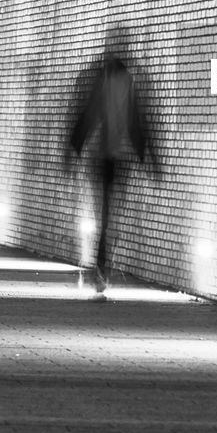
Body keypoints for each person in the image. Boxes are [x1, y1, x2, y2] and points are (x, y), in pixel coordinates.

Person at [70, 50, 148, 297]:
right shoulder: (127, 86)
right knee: (109, 216)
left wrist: (74, 148)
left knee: (105, 215)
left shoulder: (104, 84)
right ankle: (103, 267)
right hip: (114, 158)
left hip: (103, 158)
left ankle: (102, 267)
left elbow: (87, 117)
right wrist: (148, 156)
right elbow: (136, 122)